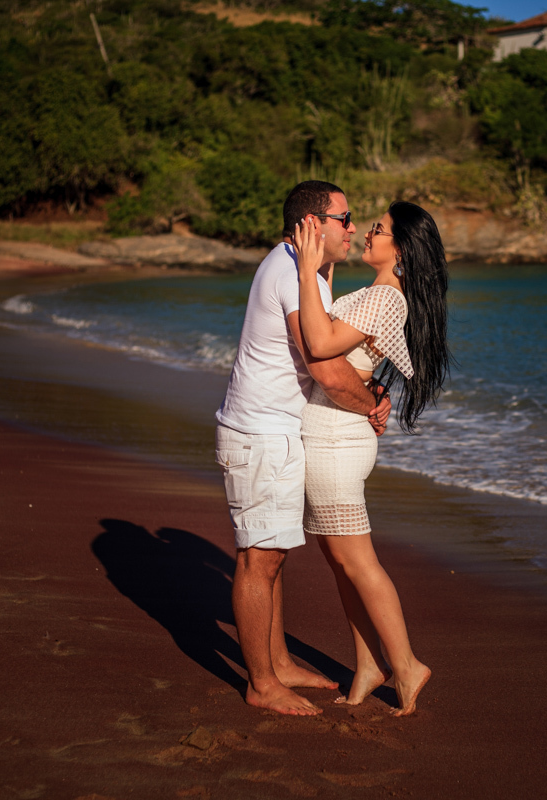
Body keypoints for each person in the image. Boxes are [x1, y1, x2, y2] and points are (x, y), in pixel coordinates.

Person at [215, 181, 391, 716]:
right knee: (259, 560)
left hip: (273, 431)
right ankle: (262, 683)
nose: (354, 228)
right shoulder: (292, 274)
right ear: (313, 225)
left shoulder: (303, 269)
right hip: (262, 434)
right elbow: (324, 366)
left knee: (272, 556)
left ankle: (278, 662)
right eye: (346, 218)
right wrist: (371, 406)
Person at [291, 201, 451, 716]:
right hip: (328, 431)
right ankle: (366, 665)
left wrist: (304, 271)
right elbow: (351, 355)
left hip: (339, 438)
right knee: (340, 562)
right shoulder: (376, 294)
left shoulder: (386, 297)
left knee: (358, 561)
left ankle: (406, 665)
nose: (368, 233)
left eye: (378, 229)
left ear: (400, 249)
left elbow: (319, 342)